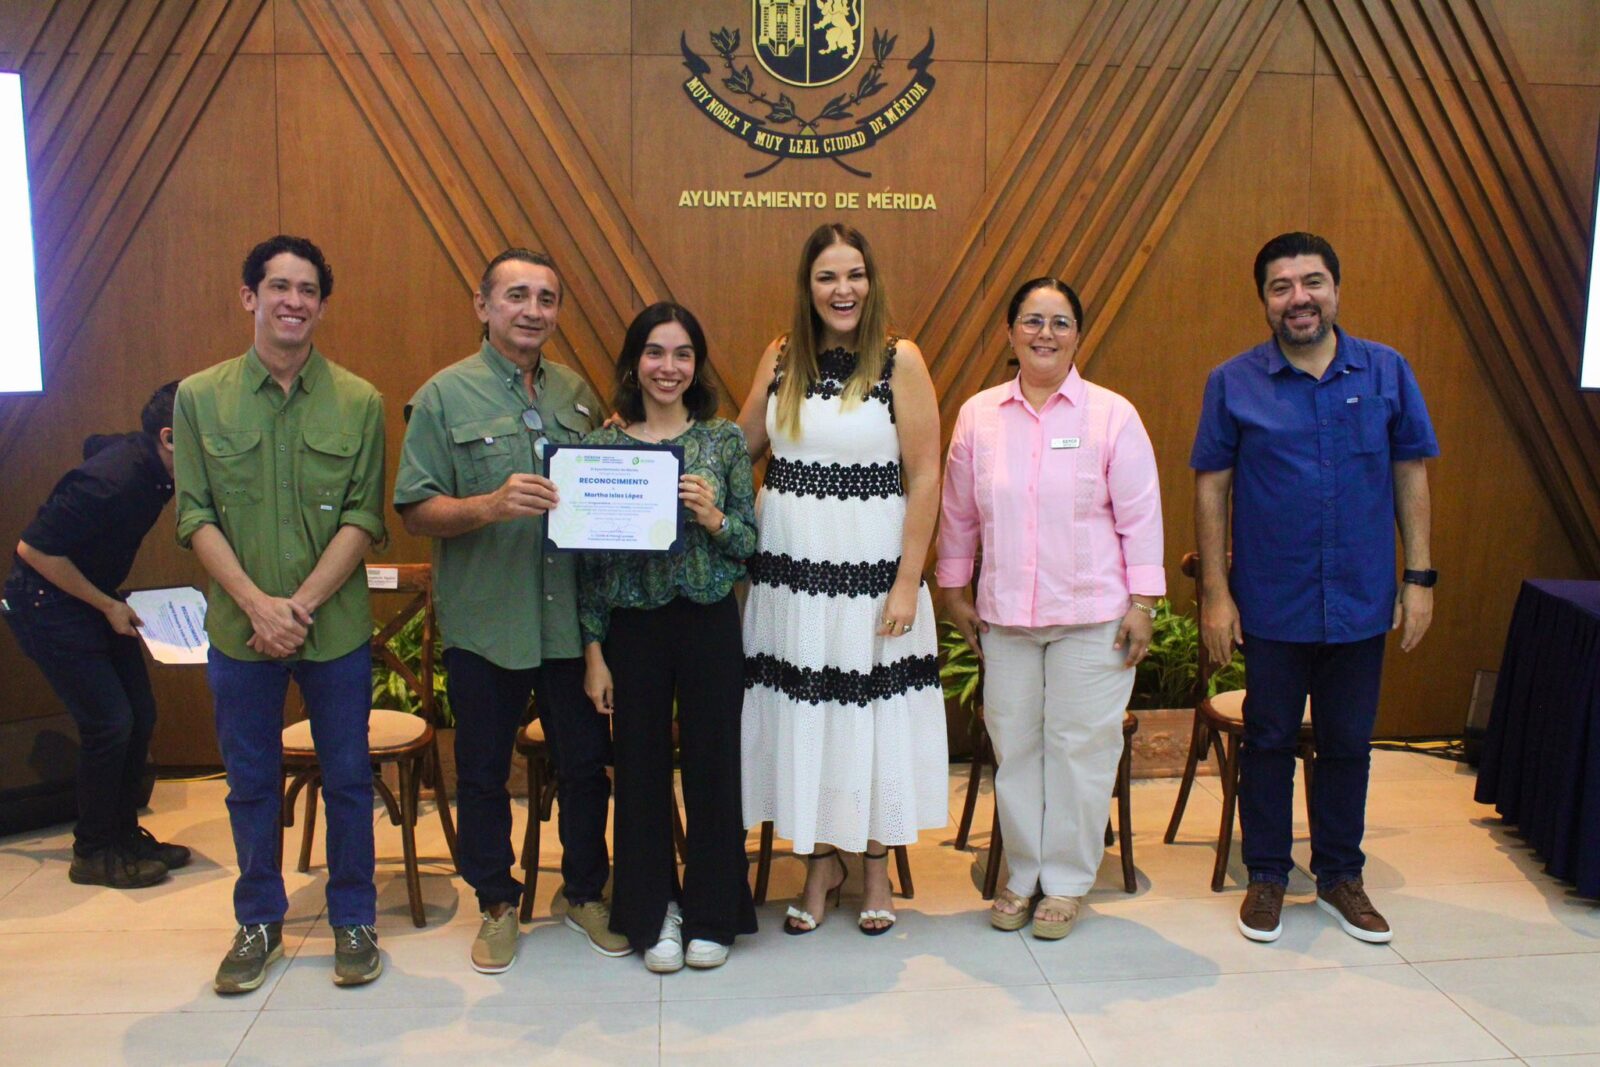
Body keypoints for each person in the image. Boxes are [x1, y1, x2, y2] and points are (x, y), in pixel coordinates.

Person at [1191, 231, 1438, 945]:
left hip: (1361, 598)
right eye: (1281, 286)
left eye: (1312, 281)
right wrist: (1216, 592)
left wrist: (1418, 577)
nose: (1298, 297)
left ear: (1335, 288)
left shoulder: (1387, 371)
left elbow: (1410, 474)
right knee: (1267, 739)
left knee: (1349, 744)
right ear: (1265, 300)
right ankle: (1267, 873)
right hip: (1272, 601)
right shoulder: (1232, 381)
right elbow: (1212, 488)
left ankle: (1339, 876)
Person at [394, 247, 627, 974]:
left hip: (568, 628)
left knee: (587, 766)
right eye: (517, 295)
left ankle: (584, 890)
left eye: (547, 298)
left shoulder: (580, 396)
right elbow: (415, 509)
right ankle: (495, 901)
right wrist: (489, 505)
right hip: (488, 625)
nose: (533, 310)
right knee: (486, 774)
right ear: (483, 304)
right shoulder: (443, 396)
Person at [174, 235, 388, 993]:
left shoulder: (358, 400)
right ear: (249, 296)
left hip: (331, 629)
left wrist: (297, 607)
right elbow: (194, 514)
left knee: (349, 779)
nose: (293, 300)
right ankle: (258, 917)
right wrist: (257, 605)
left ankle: (353, 919)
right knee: (251, 780)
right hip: (240, 629)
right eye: (279, 286)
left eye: (308, 289)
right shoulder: (199, 397)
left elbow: (363, 517)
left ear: (322, 305)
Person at [936, 277, 1164, 939]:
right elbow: (958, 512)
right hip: (1005, 618)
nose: (1045, 333)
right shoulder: (979, 415)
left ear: (1078, 335)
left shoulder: (1111, 415)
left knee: (1080, 750)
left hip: (1094, 617)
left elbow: (1141, 515)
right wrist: (953, 589)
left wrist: (1144, 601)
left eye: (1060, 322)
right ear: (1010, 333)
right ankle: (1020, 875)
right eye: (1032, 320)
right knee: (1017, 748)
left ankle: (1065, 883)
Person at [738, 222, 947, 936]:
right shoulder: (780, 356)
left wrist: (907, 580)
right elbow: (736, 450)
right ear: (808, 287)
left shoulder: (901, 359)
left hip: (872, 573)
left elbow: (925, 476)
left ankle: (876, 865)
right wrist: (643, 438)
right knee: (808, 713)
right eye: (827, 276)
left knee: (871, 711)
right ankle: (820, 860)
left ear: (871, 280)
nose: (842, 289)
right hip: (791, 578)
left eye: (853, 274)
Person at [579, 302, 760, 972]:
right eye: (655, 352)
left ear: (696, 364)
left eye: (682, 353)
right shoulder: (601, 450)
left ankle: (714, 911)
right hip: (633, 627)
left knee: (715, 767)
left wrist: (713, 517)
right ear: (634, 361)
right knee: (641, 771)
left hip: (710, 620)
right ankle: (653, 913)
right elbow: (591, 565)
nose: (668, 367)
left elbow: (748, 546)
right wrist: (594, 652)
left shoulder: (724, 441)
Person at [3, 382, 191, 889]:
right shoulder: (113, 482)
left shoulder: (151, 465)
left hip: (92, 596)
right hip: (45, 602)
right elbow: (34, 551)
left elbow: (95, 440)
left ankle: (123, 834)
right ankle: (93, 850)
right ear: (170, 438)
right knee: (109, 722)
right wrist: (108, 605)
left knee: (141, 714)